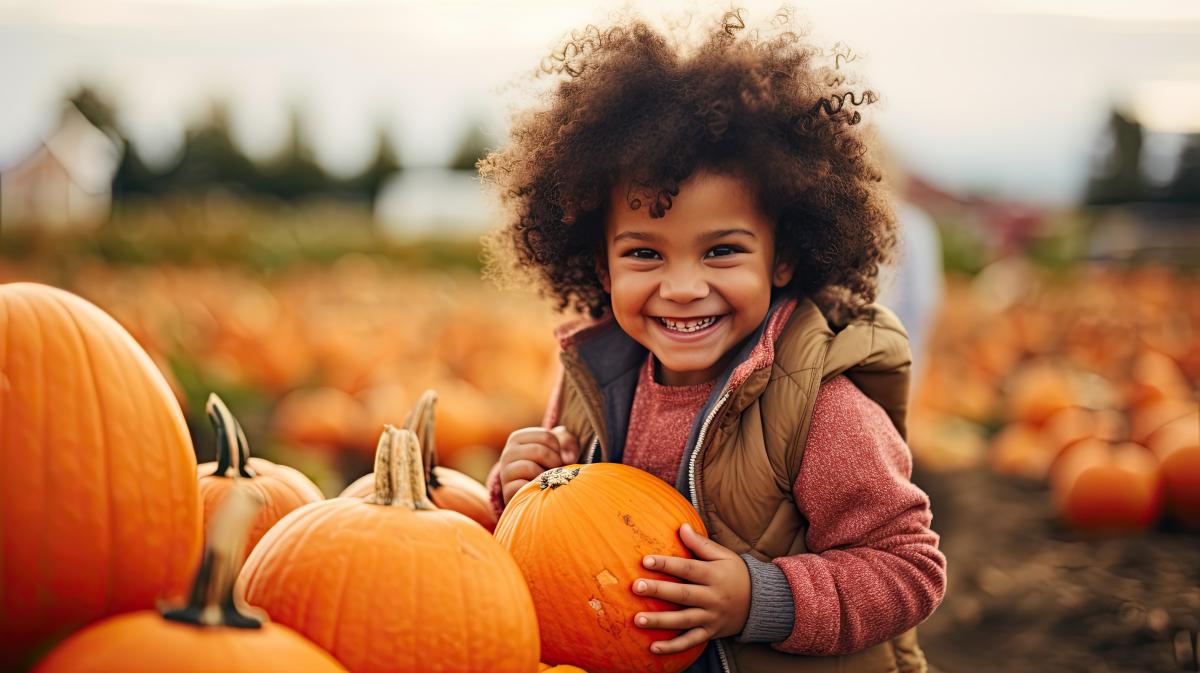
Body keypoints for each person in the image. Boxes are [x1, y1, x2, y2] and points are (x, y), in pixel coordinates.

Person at [480, 9, 946, 673]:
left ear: (782, 259)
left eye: (722, 250)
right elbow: (560, 549)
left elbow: (908, 568)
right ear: (602, 266)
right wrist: (517, 491)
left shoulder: (818, 408)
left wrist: (762, 598)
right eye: (645, 254)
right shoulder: (590, 380)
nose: (682, 287)